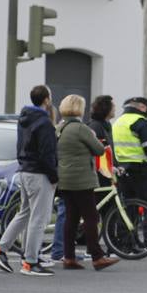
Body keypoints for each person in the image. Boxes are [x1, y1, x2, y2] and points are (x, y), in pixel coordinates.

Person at [0, 85, 58, 276]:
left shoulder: (25, 119)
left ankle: (0, 249)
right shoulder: (44, 122)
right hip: (40, 174)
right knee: (39, 219)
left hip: (26, 171)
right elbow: (47, 152)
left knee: (24, 214)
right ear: (46, 100)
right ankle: (30, 262)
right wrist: (54, 176)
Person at [54, 94, 119, 271]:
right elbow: (99, 150)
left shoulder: (60, 127)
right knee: (91, 217)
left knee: (71, 218)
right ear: (78, 108)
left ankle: (69, 257)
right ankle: (97, 256)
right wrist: (92, 136)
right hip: (81, 178)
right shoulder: (80, 128)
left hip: (65, 179)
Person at [113, 96, 147, 209]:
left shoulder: (118, 122)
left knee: (127, 206)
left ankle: (126, 227)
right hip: (140, 170)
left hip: (121, 170)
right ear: (142, 107)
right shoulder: (140, 122)